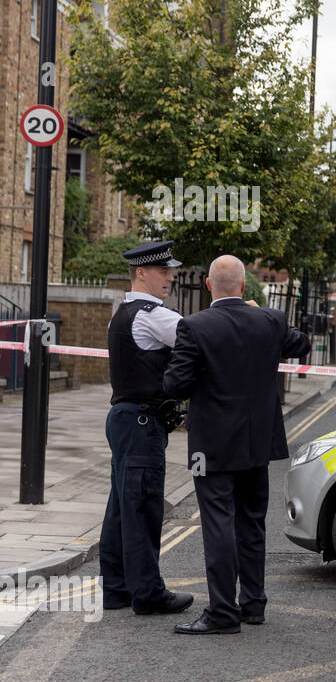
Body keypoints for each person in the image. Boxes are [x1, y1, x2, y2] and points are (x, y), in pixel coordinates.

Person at [164, 255, 310, 634]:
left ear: (209, 286)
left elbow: (175, 385)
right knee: (251, 524)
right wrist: (264, 316)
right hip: (257, 444)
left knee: (217, 526)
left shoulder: (194, 327)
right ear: (244, 288)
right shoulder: (270, 321)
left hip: (209, 447)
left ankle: (222, 613)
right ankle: (254, 605)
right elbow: (302, 344)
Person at [99, 241, 195, 617]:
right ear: (142, 272)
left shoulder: (121, 313)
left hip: (124, 420)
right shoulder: (153, 315)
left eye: (170, 270)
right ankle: (149, 594)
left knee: (121, 508)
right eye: (163, 270)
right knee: (142, 507)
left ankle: (117, 589)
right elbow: (200, 339)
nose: (170, 276)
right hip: (142, 422)